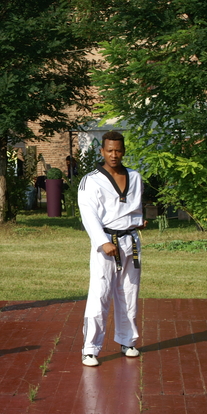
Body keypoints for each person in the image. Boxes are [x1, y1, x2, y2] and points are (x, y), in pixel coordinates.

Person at [77, 131, 146, 367]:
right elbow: (88, 215)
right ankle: (90, 349)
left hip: (130, 241)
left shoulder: (135, 176)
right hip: (106, 241)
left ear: (123, 151)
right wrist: (102, 241)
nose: (114, 155)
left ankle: (128, 341)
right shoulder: (91, 180)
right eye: (109, 150)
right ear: (102, 151)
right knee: (100, 293)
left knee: (129, 292)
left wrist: (138, 222)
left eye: (118, 150)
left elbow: (134, 207)